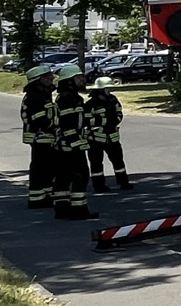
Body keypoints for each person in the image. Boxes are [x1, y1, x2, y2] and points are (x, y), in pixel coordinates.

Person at [50, 63, 95, 221]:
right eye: (78, 78)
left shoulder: (68, 97)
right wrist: (77, 143)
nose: (82, 80)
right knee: (80, 176)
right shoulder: (68, 99)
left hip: (64, 146)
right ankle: (79, 210)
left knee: (63, 179)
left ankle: (62, 210)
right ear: (69, 81)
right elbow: (67, 124)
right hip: (70, 147)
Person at [20, 66, 58, 210]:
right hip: (39, 137)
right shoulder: (35, 96)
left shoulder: (42, 93)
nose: (52, 79)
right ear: (38, 80)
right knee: (40, 168)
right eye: (48, 77)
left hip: (45, 137)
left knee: (48, 168)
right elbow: (38, 119)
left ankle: (46, 196)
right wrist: (53, 127)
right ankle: (36, 199)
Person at [87, 75, 131, 192]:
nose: (110, 90)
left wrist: (114, 121)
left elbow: (119, 113)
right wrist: (105, 122)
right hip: (96, 139)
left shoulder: (113, 100)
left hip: (112, 137)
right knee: (96, 164)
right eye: (107, 88)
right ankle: (99, 186)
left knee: (118, 161)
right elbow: (87, 120)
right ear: (100, 89)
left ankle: (123, 182)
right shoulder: (91, 104)